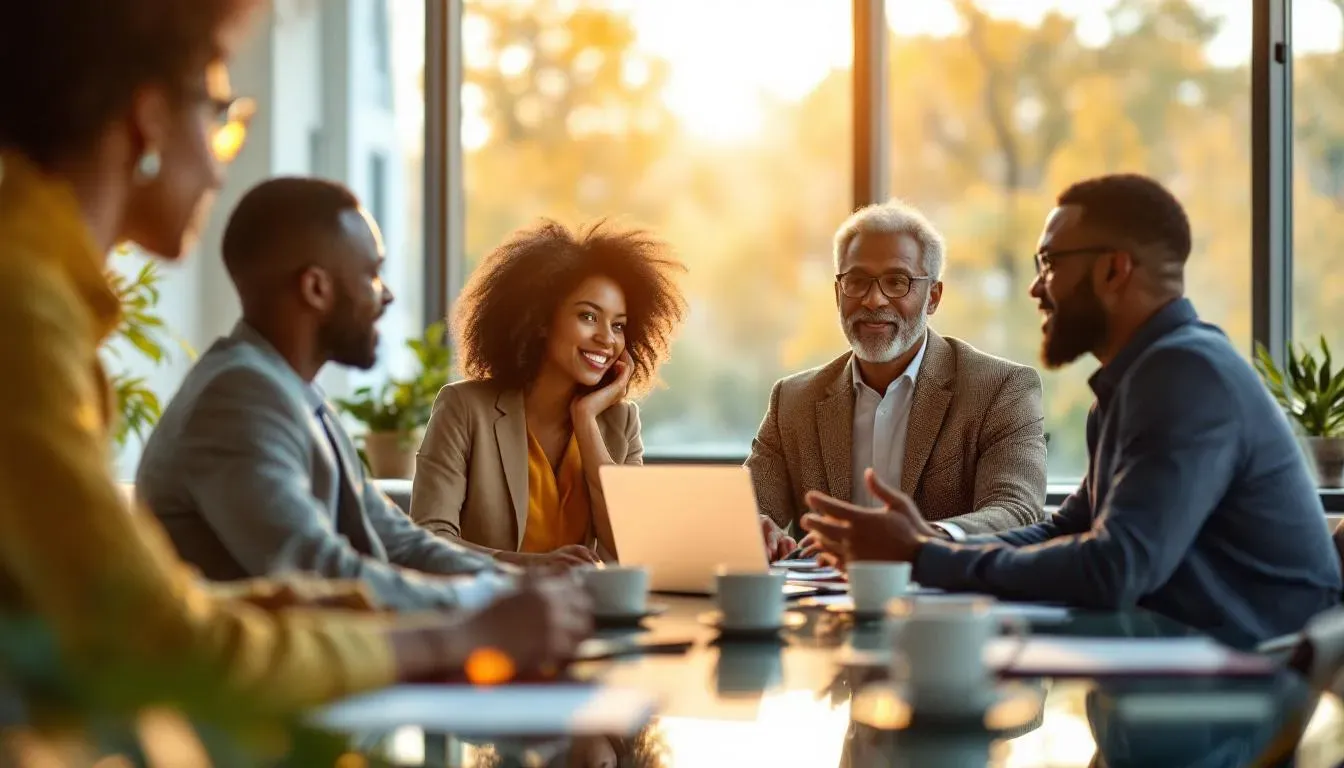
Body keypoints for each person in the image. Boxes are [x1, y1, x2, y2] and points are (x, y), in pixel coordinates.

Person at [0, 0, 589, 716]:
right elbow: (165, 639)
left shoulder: (47, 306)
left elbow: (178, 604)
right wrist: (460, 633)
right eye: (220, 115)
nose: (219, 167)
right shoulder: (25, 318)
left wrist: (502, 593)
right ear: (147, 117)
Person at [801, 174, 1342, 648]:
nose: (1036, 287)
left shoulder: (1186, 374)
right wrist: (925, 545)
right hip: (1190, 666)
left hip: (1261, 686)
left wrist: (922, 558)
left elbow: (1114, 567)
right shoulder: (1137, 381)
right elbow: (1066, 530)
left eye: (1050, 264)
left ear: (1113, 270)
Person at [136, 177, 514, 611]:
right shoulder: (237, 401)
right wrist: (495, 600)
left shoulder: (291, 391)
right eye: (372, 274)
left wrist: (518, 583)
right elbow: (317, 573)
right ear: (316, 288)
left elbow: (398, 541)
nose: (387, 295)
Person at [750, 200, 1047, 560]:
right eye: (857, 281)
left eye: (896, 281)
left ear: (933, 297)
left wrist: (922, 538)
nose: (874, 300)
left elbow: (1017, 510)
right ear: (838, 293)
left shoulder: (1001, 389)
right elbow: (750, 507)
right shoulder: (792, 401)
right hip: (823, 593)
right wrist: (753, 525)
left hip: (939, 592)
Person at [411, 220, 686, 567]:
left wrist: (586, 419)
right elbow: (428, 540)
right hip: (488, 599)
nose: (607, 338)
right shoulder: (464, 408)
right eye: (588, 316)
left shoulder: (620, 421)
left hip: (582, 601)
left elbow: (630, 548)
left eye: (618, 325)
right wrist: (531, 567)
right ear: (541, 320)